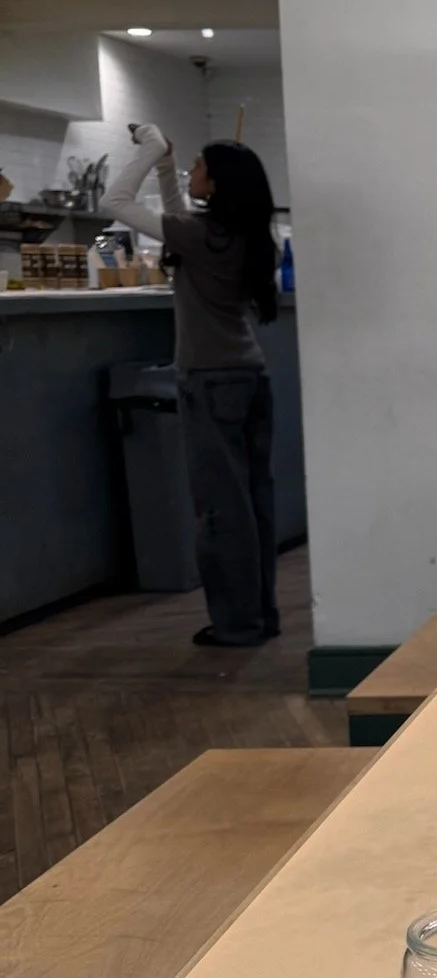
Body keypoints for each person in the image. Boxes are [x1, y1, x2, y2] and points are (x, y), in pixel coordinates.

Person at [101, 125, 281, 647]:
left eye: (198, 166)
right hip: (249, 376)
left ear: (218, 183)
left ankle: (237, 624)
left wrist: (154, 147)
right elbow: (179, 213)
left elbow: (115, 200)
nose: (190, 173)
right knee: (251, 504)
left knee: (221, 510)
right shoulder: (238, 235)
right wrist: (165, 166)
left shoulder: (200, 236)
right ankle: (257, 615)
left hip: (210, 381)